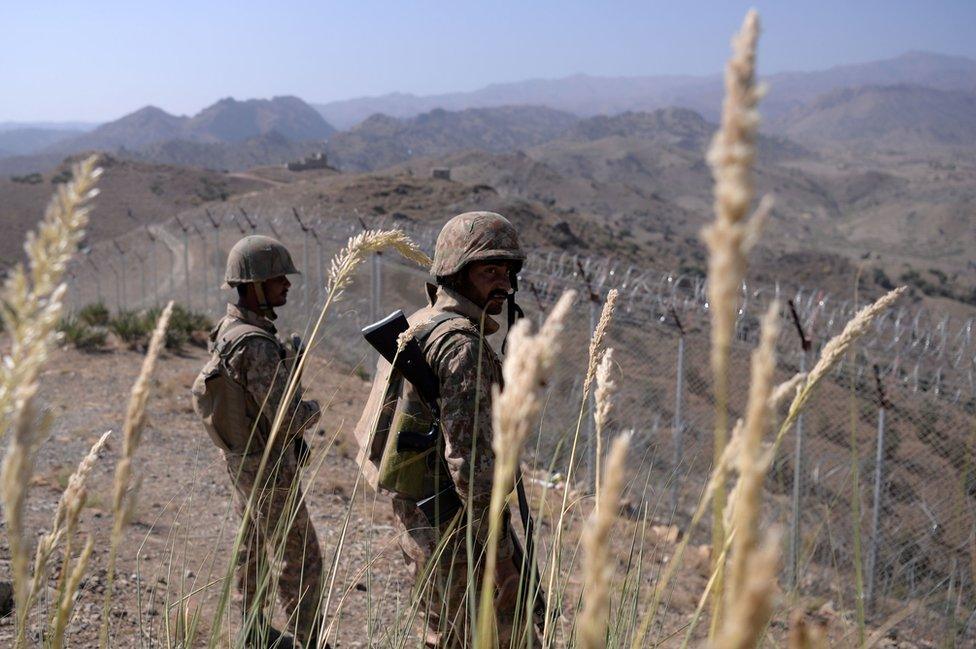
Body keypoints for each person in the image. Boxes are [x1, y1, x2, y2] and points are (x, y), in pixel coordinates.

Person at [354, 211, 534, 647]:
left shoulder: (420, 325)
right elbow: (470, 463)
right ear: (456, 270)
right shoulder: (460, 347)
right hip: (455, 524)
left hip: (424, 515)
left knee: (447, 634)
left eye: (508, 271)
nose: (504, 284)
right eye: (490, 269)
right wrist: (501, 554)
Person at [192, 235, 323, 648]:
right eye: (277, 277)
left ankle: (253, 631)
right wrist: (312, 409)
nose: (286, 284)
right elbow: (285, 418)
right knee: (302, 559)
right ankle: (308, 640)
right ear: (253, 285)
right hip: (267, 466)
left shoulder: (229, 329)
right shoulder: (256, 344)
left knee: (252, 547)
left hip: (242, 460)